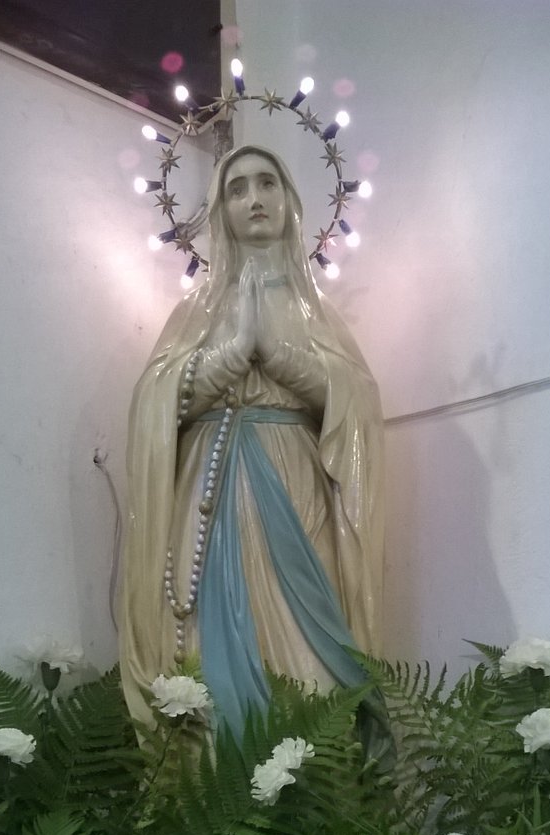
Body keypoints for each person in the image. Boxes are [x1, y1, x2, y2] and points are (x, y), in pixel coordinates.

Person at [120, 145, 385, 747]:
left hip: (296, 483)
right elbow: (156, 405)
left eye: (267, 183)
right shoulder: (195, 311)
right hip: (209, 488)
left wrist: (278, 353)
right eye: (236, 189)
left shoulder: (318, 313)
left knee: (310, 636)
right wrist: (234, 351)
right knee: (211, 641)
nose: (254, 198)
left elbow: (355, 404)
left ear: (290, 202)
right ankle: (221, 779)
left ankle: (315, 771)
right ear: (220, 210)